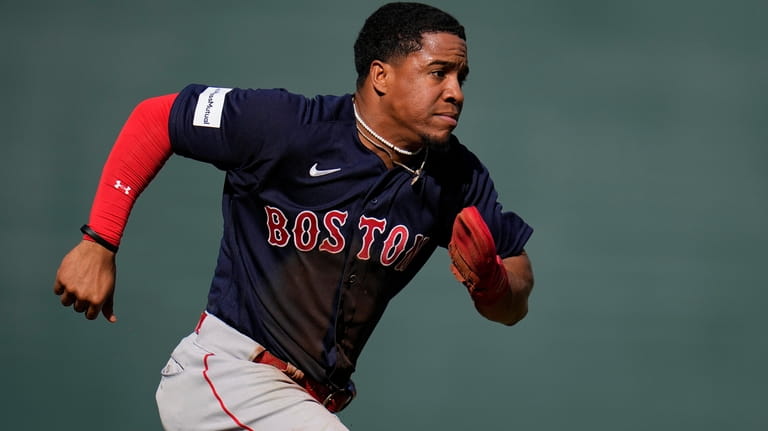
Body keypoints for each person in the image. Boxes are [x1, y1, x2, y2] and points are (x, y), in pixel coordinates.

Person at [53, 2, 534, 430]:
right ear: (381, 75)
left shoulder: (457, 178)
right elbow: (158, 119)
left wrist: (493, 282)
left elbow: (514, 298)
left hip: (303, 401)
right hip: (228, 376)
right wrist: (100, 240)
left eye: (460, 77)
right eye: (438, 72)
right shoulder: (285, 126)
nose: (456, 92)